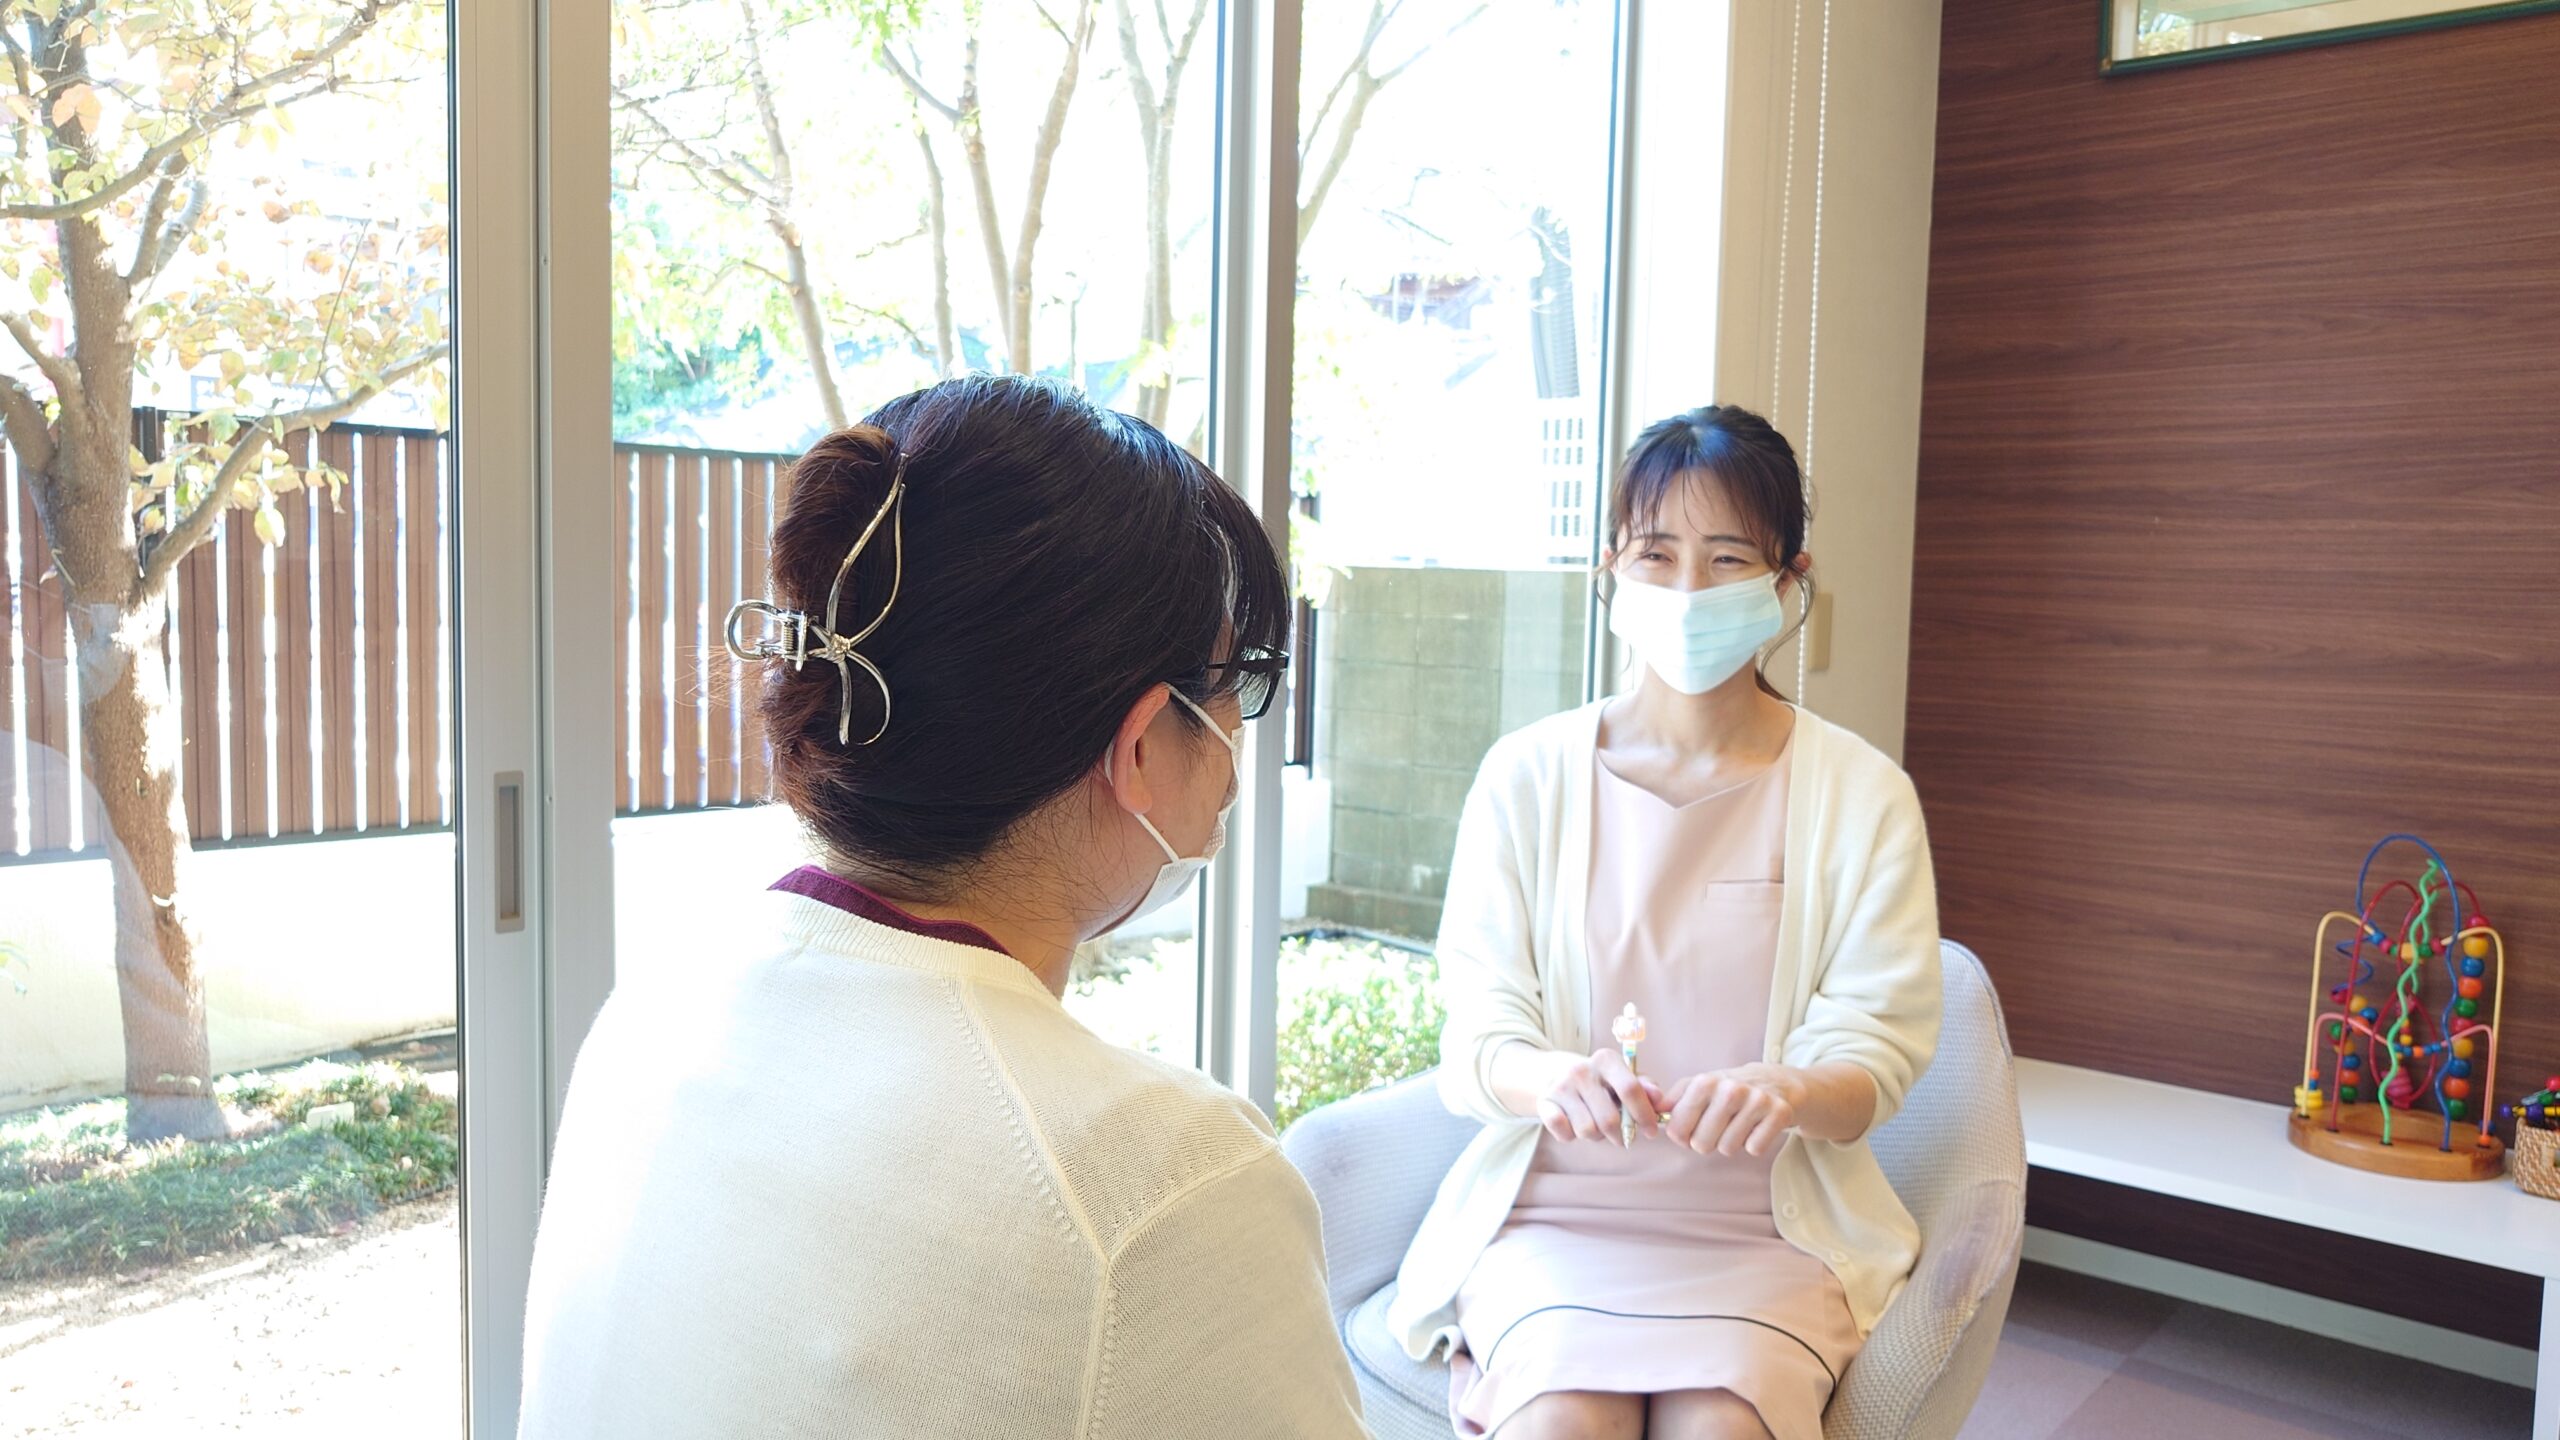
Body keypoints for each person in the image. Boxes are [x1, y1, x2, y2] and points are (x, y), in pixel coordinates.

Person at [517, 375, 1363, 1438]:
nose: (1239, 731)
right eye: (1238, 679)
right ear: (1145, 744)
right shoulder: (1163, 1183)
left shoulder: (655, 1006)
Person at [1386, 406, 1941, 1440]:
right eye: (1656, 553)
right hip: (1553, 1222)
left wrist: (1789, 1089)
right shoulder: (1525, 778)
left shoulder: (1863, 796)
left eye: (1727, 559)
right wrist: (1550, 1079)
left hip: (1769, 1234)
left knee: (1721, 1427)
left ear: (1788, 582)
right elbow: (1478, 1039)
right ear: (1611, 568)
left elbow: (1875, 1057)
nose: (1687, 589)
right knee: (1561, 1423)